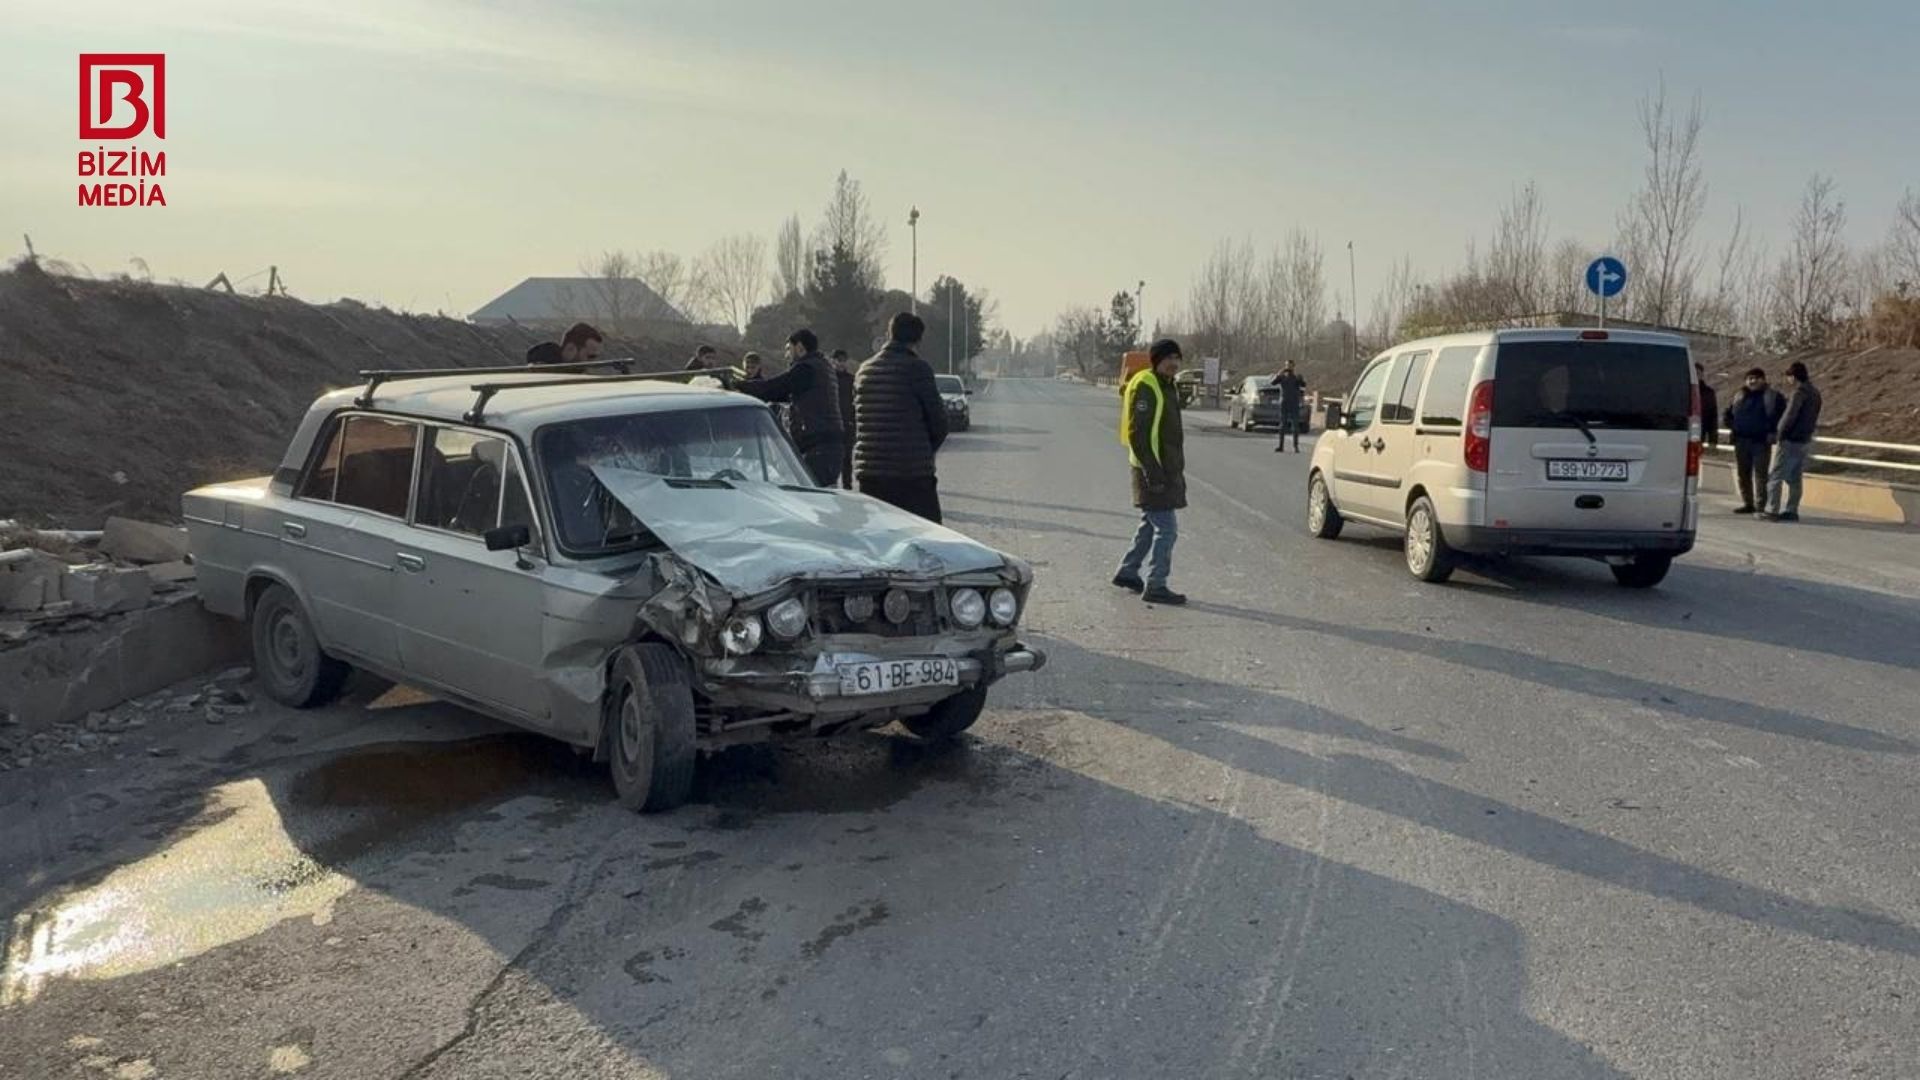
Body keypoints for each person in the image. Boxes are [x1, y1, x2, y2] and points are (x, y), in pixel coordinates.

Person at [1113, 338, 1188, 605]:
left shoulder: (1167, 386)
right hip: (1151, 468)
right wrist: (1152, 471)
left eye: (1177, 358)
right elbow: (1138, 433)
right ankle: (1156, 584)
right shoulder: (1147, 385)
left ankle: (1128, 570)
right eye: (1169, 358)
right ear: (1156, 360)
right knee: (1166, 529)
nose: (1174, 363)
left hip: (1164, 467)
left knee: (1150, 523)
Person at [853, 312, 948, 521]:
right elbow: (939, 423)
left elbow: (859, 419)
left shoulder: (864, 371)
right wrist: (922, 450)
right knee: (926, 538)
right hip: (911, 474)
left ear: (889, 334)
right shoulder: (917, 369)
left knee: (879, 539)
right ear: (918, 340)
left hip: (870, 473)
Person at [732, 329, 845, 486]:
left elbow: (775, 388)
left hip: (818, 447)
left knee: (812, 499)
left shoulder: (806, 369)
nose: (786, 355)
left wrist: (737, 385)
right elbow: (781, 394)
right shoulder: (821, 368)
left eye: (788, 349)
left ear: (799, 347)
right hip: (827, 446)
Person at [1763, 361, 1822, 522]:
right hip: (1804, 439)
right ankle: (1792, 509)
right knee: (1795, 476)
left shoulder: (1799, 393)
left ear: (1793, 376)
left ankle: (1771, 509)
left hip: (1790, 439)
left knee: (1776, 475)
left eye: (1788, 376)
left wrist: (1780, 433)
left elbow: (1790, 415)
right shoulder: (1815, 393)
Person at [1723, 367, 1785, 514]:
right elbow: (1728, 414)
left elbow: (1782, 417)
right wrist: (1733, 426)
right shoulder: (1740, 396)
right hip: (1741, 441)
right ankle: (1748, 503)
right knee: (1743, 474)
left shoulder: (1773, 397)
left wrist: (1772, 432)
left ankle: (1761, 505)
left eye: (1756, 378)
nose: (1752, 381)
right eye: (1749, 378)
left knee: (1761, 475)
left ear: (1763, 380)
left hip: (1761, 442)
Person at [831, 349, 856, 489]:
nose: (841, 363)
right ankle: (833, 486)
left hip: (848, 423)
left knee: (847, 459)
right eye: (838, 360)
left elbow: (855, 401)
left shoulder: (851, 380)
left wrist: (854, 421)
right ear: (833, 361)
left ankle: (848, 487)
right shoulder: (829, 379)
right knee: (834, 458)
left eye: (843, 360)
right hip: (833, 423)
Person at [1271, 361, 1307, 453]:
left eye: (1290, 366)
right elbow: (1273, 383)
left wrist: (1301, 379)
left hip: (1294, 403)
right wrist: (1278, 374)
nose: (1288, 367)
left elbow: (1303, 385)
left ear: (1293, 367)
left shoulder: (1296, 377)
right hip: (1284, 402)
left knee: (1295, 425)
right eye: (1287, 365)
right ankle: (1281, 446)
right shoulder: (1282, 377)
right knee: (1282, 425)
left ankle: (1295, 446)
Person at [1696, 364, 1720, 453]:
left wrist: (1713, 440)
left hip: (1698, 435)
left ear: (1702, 375)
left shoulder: (1708, 393)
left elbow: (1713, 417)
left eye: (1698, 373)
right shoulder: (1680, 389)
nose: (1695, 376)